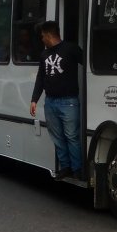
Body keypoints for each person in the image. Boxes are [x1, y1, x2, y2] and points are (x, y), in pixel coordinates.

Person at [30, 21, 84, 180]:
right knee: (58, 137)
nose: (42, 39)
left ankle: (77, 169)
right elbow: (41, 78)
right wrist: (34, 99)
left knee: (71, 136)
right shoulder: (44, 55)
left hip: (69, 101)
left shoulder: (71, 49)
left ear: (48, 35)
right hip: (51, 102)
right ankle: (66, 167)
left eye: (42, 36)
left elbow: (87, 63)